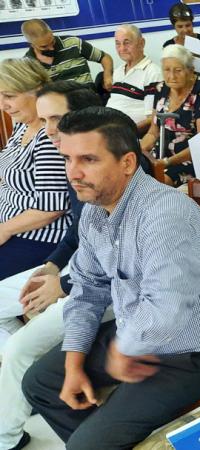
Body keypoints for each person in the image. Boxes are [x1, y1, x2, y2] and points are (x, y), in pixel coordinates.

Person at [21, 106, 200, 449]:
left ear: (127, 163)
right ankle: (100, 435)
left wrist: (125, 348)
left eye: (88, 160)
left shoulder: (165, 215)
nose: (73, 173)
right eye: (68, 159)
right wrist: (75, 360)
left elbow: (167, 308)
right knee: (39, 383)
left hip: (190, 353)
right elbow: (87, 290)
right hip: (135, 332)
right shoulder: (95, 211)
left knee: (87, 444)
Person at [0, 82, 104, 450]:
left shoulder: (104, 170)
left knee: (18, 351)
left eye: (56, 118)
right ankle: (17, 397)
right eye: (44, 120)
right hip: (76, 270)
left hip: (106, 289)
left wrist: (62, 283)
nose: (48, 130)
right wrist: (51, 266)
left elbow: (115, 264)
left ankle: (6, 436)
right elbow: (78, 232)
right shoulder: (76, 161)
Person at [0, 58, 70, 280]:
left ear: (38, 92)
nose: (3, 105)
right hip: (13, 228)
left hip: (40, 238)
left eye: (10, 96)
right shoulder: (23, 125)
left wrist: (4, 230)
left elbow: (52, 208)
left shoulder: (49, 137)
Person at [140, 45, 200, 186]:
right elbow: (153, 132)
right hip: (161, 157)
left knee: (157, 186)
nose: (171, 76)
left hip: (194, 159)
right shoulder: (161, 88)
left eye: (178, 70)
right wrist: (139, 152)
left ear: (190, 71)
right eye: (167, 70)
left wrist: (166, 162)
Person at [21, 19, 113, 89]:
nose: (51, 48)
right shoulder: (27, 64)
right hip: (57, 105)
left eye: (52, 41)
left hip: (87, 96)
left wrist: (107, 75)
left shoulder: (73, 43)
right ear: (31, 44)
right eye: (44, 46)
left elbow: (104, 57)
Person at [106, 25, 163, 135]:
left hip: (128, 135)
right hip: (108, 130)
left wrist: (125, 132)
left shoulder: (153, 73)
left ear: (141, 43)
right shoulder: (118, 71)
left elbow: (152, 118)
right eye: (118, 43)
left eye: (127, 43)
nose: (122, 49)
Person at [162, 2, 200, 74]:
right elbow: (168, 73)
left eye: (188, 25)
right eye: (180, 26)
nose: (185, 30)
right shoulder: (168, 46)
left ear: (192, 23)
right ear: (174, 26)